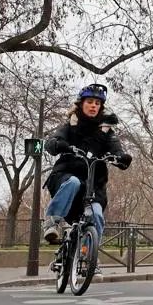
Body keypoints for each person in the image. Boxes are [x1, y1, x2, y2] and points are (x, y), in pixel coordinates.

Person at [42, 84, 132, 247]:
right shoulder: (71, 125)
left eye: (97, 103)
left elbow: (116, 148)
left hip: (93, 185)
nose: (93, 106)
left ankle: (90, 255)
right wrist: (57, 144)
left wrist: (121, 158)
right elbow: (53, 141)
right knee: (73, 182)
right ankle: (52, 222)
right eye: (89, 102)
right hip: (66, 177)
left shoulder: (107, 131)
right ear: (81, 104)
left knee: (97, 215)